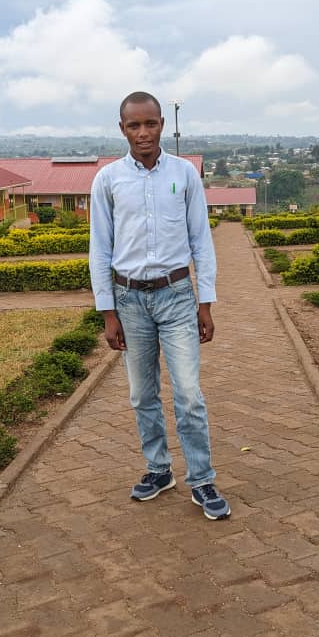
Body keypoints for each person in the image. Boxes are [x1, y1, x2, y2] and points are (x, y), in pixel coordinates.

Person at [88, 91, 230, 520]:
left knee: (188, 394)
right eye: (134, 125)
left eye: (150, 124)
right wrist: (108, 312)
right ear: (122, 129)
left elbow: (200, 241)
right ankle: (158, 469)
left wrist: (205, 302)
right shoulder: (108, 181)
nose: (143, 132)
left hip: (176, 297)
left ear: (162, 125)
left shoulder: (184, 174)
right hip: (129, 300)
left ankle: (202, 479)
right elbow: (100, 248)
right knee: (142, 394)